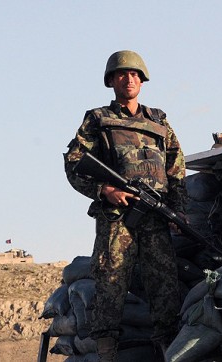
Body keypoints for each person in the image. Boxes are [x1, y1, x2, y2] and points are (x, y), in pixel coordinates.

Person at [64, 50, 186, 361]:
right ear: (111, 81)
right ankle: (106, 350)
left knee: (164, 282)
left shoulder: (158, 120)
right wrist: (104, 190)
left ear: (142, 81)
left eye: (134, 74)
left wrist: (177, 209)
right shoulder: (97, 119)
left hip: (155, 215)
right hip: (118, 217)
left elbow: (176, 167)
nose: (128, 79)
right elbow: (74, 162)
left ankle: (166, 346)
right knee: (110, 280)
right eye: (121, 74)